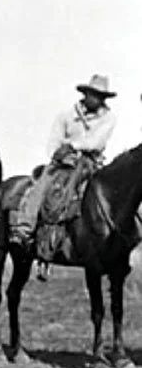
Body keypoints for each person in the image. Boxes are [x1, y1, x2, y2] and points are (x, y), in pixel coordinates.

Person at [11, 74, 117, 246]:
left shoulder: (108, 118)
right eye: (92, 94)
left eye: (99, 96)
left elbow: (96, 142)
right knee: (43, 184)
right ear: (85, 94)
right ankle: (25, 227)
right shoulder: (66, 116)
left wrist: (73, 146)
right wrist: (58, 153)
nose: (95, 99)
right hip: (64, 160)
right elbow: (54, 140)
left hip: (89, 162)